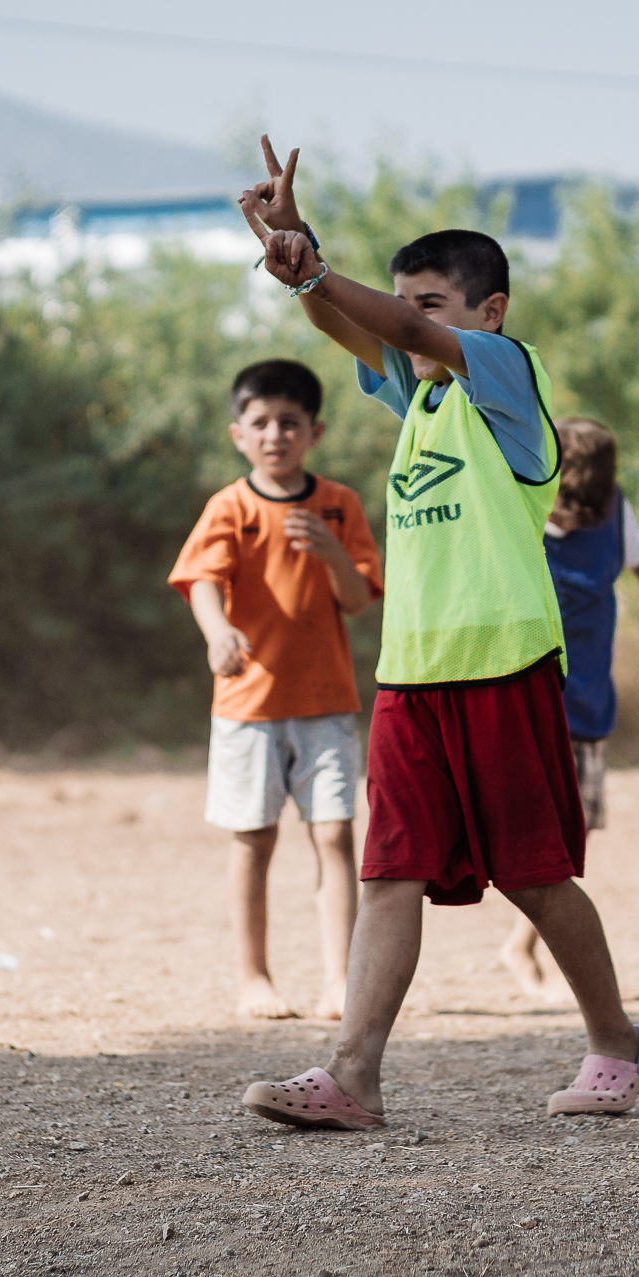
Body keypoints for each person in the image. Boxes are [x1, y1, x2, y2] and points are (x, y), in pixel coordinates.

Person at [229, 137, 639, 1130]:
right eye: (407, 304)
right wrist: (296, 254)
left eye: (431, 306)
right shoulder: (417, 394)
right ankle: (353, 1076)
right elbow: (351, 324)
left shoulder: (504, 378)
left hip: (505, 665)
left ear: (487, 314)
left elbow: (370, 313)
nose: (411, 323)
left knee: (535, 877)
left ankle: (615, 1045)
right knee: (389, 873)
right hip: (413, 674)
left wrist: (325, 271)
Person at [167, 358, 383, 1023]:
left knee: (336, 837)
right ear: (239, 434)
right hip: (249, 706)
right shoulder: (230, 506)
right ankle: (253, 977)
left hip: (325, 705)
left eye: (289, 423)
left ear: (314, 432)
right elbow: (202, 578)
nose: (275, 435)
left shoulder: (338, 506)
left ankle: (340, 982)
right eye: (260, 423)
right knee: (253, 841)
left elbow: (359, 599)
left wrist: (331, 552)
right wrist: (216, 631)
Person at [498, 416, 639, 998]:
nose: (576, 522)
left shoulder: (615, 514)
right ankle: (522, 946)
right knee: (520, 827)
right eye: (566, 510)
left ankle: (520, 946)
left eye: (588, 512)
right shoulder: (513, 508)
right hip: (520, 698)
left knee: (572, 834)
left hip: (586, 701)